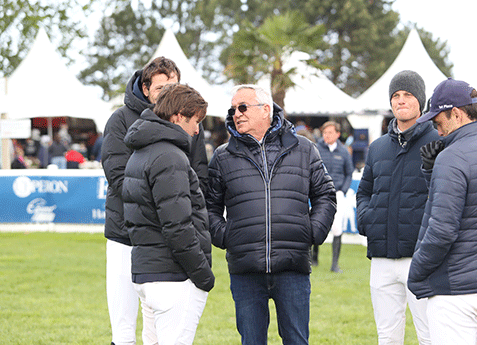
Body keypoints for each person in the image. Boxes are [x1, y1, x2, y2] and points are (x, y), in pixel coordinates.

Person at [206, 84, 336, 345]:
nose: (236, 114)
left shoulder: (304, 149)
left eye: (243, 107)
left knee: (297, 341)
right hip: (245, 269)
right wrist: (227, 237)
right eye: (233, 109)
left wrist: (311, 233)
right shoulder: (222, 156)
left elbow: (325, 195)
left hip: (293, 267)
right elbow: (209, 207)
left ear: (266, 109)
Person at [407, 78, 477, 345]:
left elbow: (442, 230)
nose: (437, 130)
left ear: (456, 113)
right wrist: (432, 172)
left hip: (456, 290)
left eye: (438, 122)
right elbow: (472, 207)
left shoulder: (453, 156)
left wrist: (416, 271)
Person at [122, 83, 214, 345]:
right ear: (177, 116)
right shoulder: (169, 156)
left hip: (148, 275)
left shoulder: (142, 152)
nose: (198, 130)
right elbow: (177, 226)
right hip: (171, 277)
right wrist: (203, 275)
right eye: (195, 120)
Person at [101, 56, 181, 345]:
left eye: (173, 86)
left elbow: (195, 176)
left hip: (163, 239)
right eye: (161, 88)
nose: (168, 93)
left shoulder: (182, 121)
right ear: (146, 88)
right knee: (123, 328)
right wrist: (161, 204)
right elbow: (118, 176)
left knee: (159, 328)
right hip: (124, 235)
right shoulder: (120, 120)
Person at [356, 70, 437, 344]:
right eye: (396, 95)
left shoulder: (438, 143)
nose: (401, 100)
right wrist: (367, 220)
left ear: (421, 101)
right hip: (381, 257)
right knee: (387, 336)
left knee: (430, 334)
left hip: (421, 257)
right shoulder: (378, 147)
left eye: (408, 95)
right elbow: (364, 191)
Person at [315, 121, 353, 273]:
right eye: (325, 133)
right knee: (316, 224)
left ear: (337, 134)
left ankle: (334, 264)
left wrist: (343, 190)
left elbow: (349, 172)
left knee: (337, 227)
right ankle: (314, 258)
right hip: (319, 193)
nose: (327, 136)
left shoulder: (344, 152)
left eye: (330, 133)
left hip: (337, 193)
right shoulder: (317, 149)